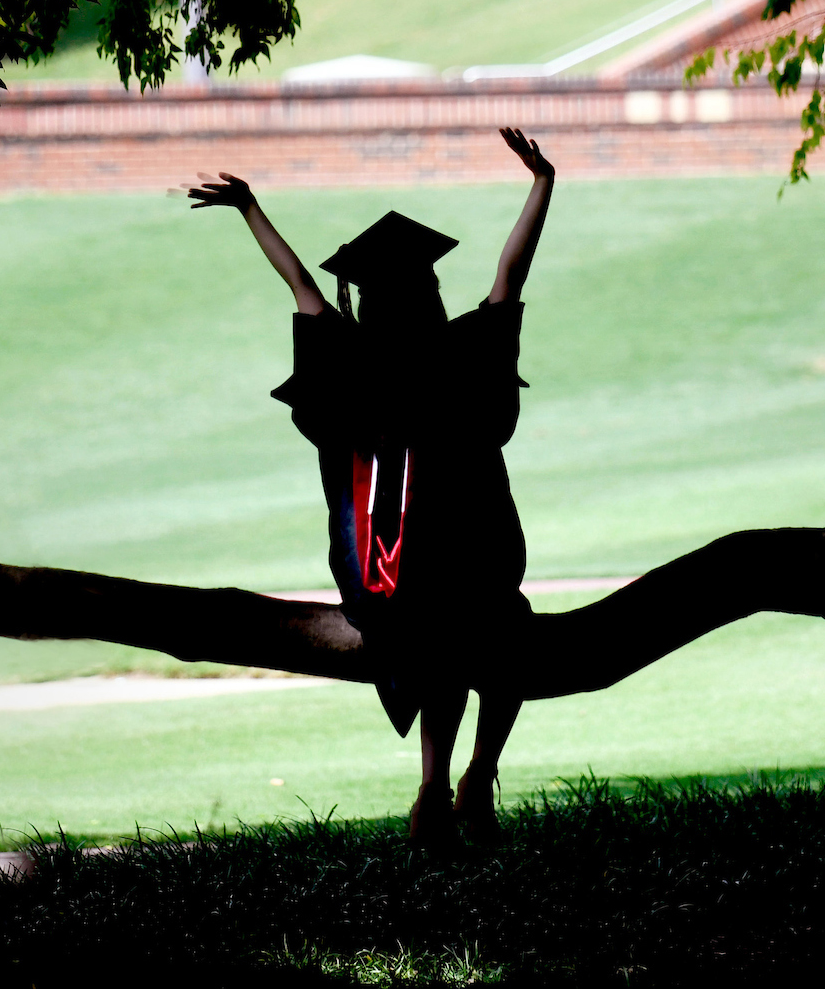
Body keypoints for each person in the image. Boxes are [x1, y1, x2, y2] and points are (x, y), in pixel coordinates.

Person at [187, 128, 555, 849]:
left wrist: (249, 208)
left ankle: (430, 789)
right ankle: (478, 775)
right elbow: (513, 276)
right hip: (474, 571)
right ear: (430, 291)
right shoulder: (462, 352)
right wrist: (542, 183)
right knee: (501, 629)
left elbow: (300, 286)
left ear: (371, 302)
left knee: (441, 639)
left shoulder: (350, 364)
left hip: (383, 587)